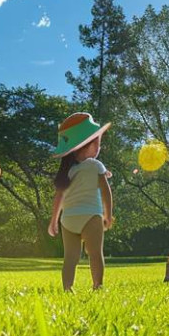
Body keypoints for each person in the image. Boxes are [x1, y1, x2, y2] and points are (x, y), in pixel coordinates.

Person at [48, 112, 113, 290]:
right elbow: (106, 192)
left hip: (68, 219)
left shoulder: (68, 172)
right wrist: (108, 215)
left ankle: (67, 288)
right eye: (97, 143)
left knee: (70, 258)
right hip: (91, 215)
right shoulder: (96, 165)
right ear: (88, 146)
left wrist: (53, 221)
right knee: (95, 254)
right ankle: (97, 286)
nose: (99, 147)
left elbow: (59, 197)